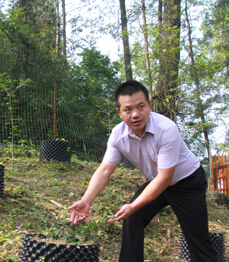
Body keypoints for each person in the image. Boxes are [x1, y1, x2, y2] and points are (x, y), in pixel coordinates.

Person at [67, 80, 217, 262]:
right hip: (156, 181)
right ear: (120, 113)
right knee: (131, 218)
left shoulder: (167, 129)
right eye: (128, 109)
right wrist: (86, 200)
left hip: (187, 182)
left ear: (149, 106)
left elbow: (165, 177)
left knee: (198, 240)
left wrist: (134, 205)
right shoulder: (117, 135)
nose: (135, 114)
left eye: (141, 107)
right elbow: (105, 170)